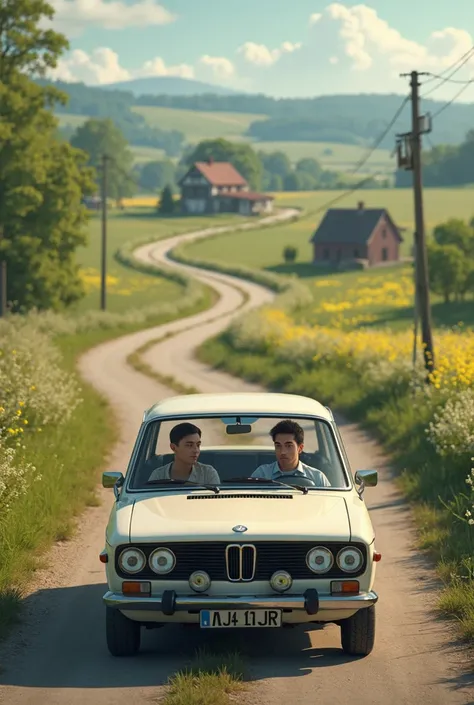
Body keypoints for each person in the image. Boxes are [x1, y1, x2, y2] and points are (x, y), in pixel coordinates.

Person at [252, 419, 331, 487]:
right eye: (278, 446)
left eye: (289, 446)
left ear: (300, 448)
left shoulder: (318, 478)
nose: (283, 452)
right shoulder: (261, 474)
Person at [148, 422, 220, 484]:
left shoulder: (208, 474)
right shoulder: (158, 476)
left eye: (198, 445)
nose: (196, 450)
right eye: (189, 445)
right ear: (173, 447)